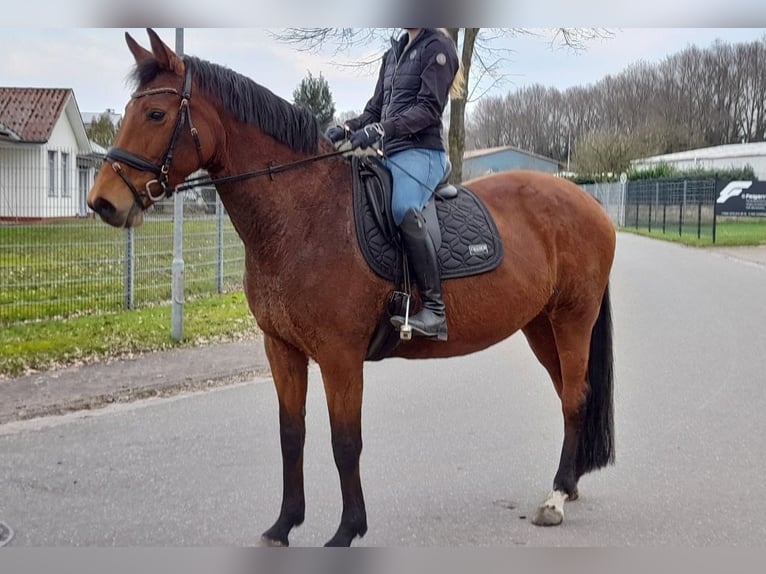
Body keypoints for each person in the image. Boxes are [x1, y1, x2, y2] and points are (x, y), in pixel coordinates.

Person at [326, 28, 461, 341]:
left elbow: (429, 110)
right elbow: (375, 109)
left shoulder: (439, 48)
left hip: (423, 152)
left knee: (402, 207)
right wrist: (346, 129)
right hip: (390, 154)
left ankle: (435, 309)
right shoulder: (393, 54)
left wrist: (380, 130)